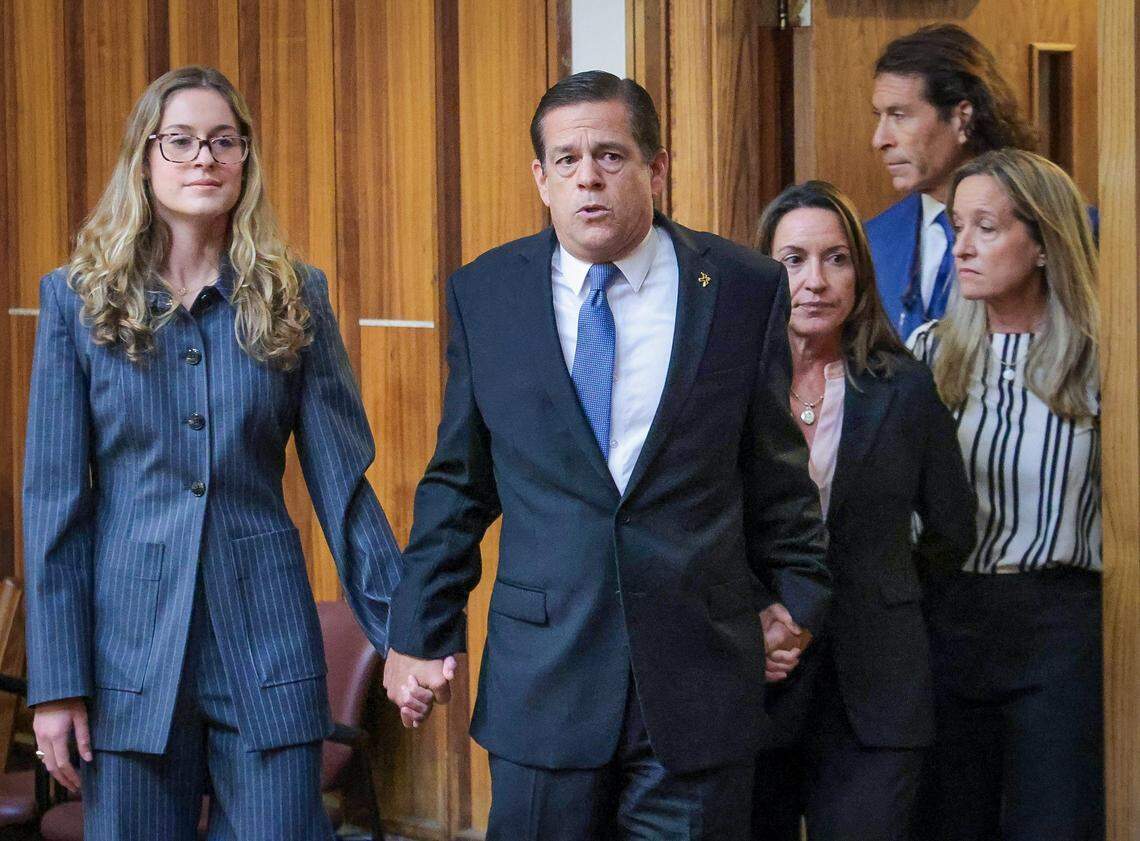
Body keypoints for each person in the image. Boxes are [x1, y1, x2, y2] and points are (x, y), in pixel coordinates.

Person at [382, 70, 832, 840]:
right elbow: (459, 481)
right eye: (566, 160)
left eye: (611, 156)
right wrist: (419, 630)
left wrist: (798, 597)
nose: (587, 176)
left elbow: (776, 474)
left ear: (657, 169)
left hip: (697, 685)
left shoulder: (742, 288)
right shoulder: (486, 294)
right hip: (544, 686)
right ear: (541, 179)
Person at [23, 66, 403, 840]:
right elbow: (54, 503)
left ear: (245, 161)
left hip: (266, 641)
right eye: (182, 141)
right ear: (145, 158)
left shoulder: (297, 295)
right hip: (126, 652)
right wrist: (55, 686)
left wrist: (407, 632)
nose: (205, 158)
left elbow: (345, 487)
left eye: (224, 141)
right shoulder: (76, 300)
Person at [747, 182, 976, 841]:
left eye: (836, 258)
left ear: (861, 271)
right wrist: (757, 610)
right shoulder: (728, 385)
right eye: (793, 260)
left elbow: (951, 527)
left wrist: (887, 593)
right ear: (764, 269)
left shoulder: (901, 387)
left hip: (877, 686)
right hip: (758, 679)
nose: (815, 280)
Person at [909, 148, 1103, 841]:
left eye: (985, 228)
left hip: (1062, 623)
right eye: (956, 227)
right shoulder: (928, 353)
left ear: (1044, 241)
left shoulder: (1102, 357)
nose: (962, 246)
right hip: (949, 617)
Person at [867, 24, 1036, 339]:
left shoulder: (1054, 229)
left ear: (963, 118)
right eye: (879, 116)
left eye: (899, 116)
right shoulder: (872, 241)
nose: (880, 140)